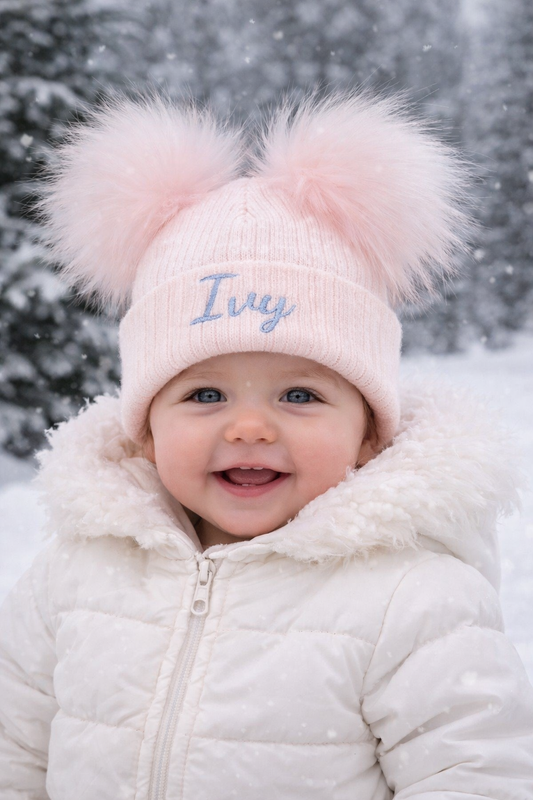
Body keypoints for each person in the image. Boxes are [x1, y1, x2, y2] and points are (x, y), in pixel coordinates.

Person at [1, 91, 532, 800]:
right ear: (145, 426)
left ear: (370, 431)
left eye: (300, 395)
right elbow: (14, 753)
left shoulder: (414, 599)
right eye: (204, 395)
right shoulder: (75, 576)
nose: (248, 428)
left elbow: (476, 776)